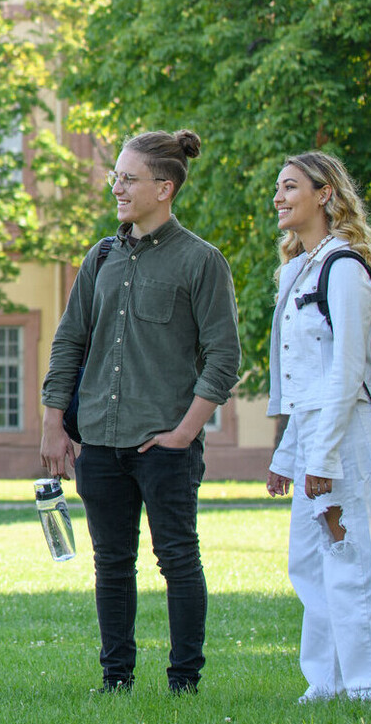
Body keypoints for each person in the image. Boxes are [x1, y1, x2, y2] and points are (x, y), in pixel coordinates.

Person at [39, 130, 240, 695]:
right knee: (111, 563)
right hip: (99, 441)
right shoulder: (100, 256)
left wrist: (184, 433)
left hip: (165, 445)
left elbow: (224, 357)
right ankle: (116, 678)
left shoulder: (202, 261)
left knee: (177, 559)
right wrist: (55, 423)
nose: (117, 188)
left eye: (129, 178)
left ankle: (184, 682)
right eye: (116, 177)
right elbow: (69, 341)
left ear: (165, 187)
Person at [264, 151, 371, 703]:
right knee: (311, 563)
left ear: (325, 194)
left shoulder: (345, 269)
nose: (278, 197)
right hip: (312, 433)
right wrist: (286, 454)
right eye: (277, 188)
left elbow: (345, 375)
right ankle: (327, 681)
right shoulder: (299, 269)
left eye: (290, 186)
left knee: (355, 563)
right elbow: (301, 381)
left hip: (345, 436)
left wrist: (320, 459)